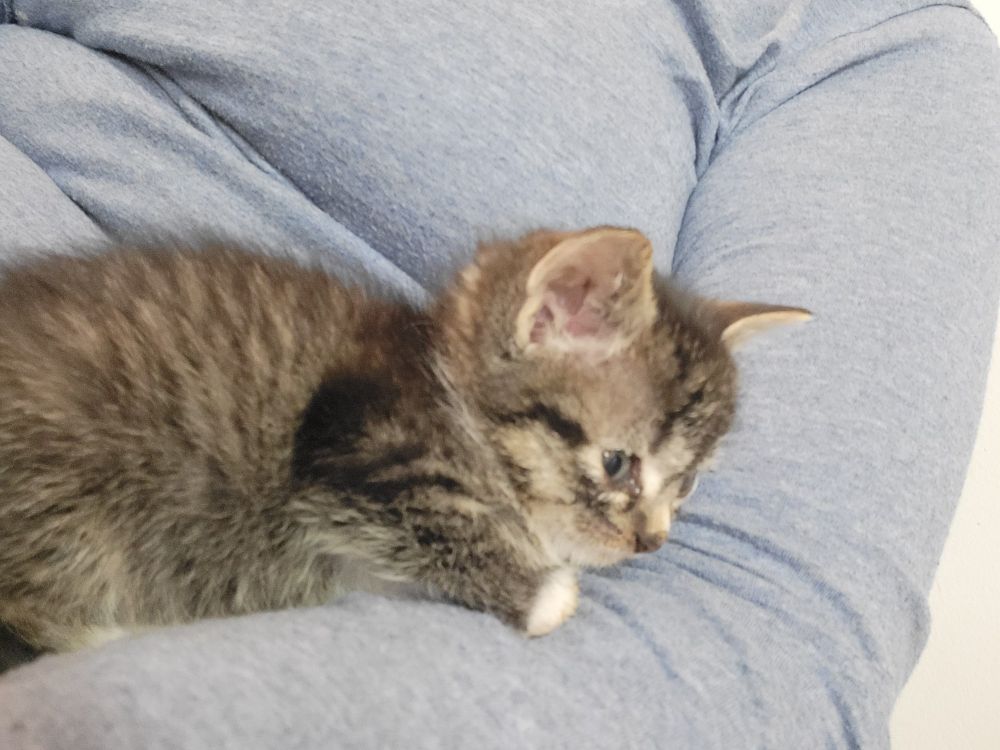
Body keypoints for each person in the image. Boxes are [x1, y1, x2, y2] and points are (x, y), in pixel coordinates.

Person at [0, 1, 997, 747]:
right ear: (549, 308)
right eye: (624, 475)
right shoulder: (441, 401)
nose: (651, 533)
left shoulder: (875, 46)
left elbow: (776, 645)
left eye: (671, 497)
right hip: (90, 429)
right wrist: (509, 576)